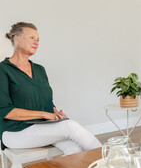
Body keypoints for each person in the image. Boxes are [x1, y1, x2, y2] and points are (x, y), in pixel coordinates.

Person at [0, 22, 101, 155]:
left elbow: (48, 103)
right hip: (15, 132)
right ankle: (109, 159)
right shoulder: (3, 69)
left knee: (74, 149)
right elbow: (5, 111)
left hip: (43, 127)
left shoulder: (40, 70)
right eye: (31, 38)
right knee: (69, 126)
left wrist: (56, 114)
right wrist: (44, 114)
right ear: (16, 39)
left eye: (38, 40)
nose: (36, 42)